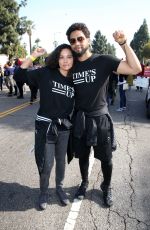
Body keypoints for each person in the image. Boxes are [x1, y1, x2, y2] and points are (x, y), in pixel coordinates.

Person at [66, 23, 141, 207]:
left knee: (106, 159)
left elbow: (135, 68)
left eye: (80, 38)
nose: (77, 43)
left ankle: (106, 186)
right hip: (80, 120)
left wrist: (124, 44)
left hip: (101, 120)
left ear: (88, 39)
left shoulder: (103, 60)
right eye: (72, 40)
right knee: (83, 156)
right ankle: (84, 182)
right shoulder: (70, 66)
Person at [14, 44, 75, 210]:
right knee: (46, 163)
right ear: (57, 58)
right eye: (62, 57)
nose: (65, 60)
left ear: (73, 59)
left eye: (69, 56)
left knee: (61, 161)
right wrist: (33, 55)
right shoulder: (46, 73)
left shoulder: (75, 79)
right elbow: (19, 75)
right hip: (45, 125)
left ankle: (60, 188)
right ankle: (43, 192)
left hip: (64, 127)